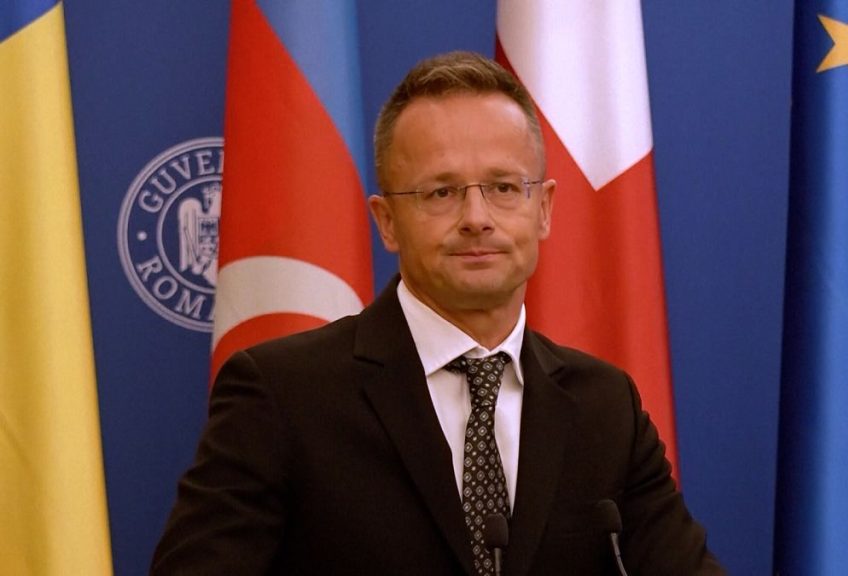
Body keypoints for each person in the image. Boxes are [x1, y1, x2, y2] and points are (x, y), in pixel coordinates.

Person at [151, 51, 724, 575]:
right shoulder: (282, 394)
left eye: (504, 187)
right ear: (386, 222)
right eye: (441, 193)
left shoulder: (605, 407)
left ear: (544, 209)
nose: (477, 217)